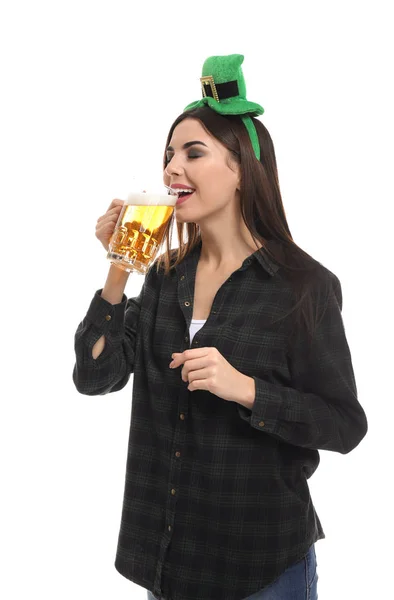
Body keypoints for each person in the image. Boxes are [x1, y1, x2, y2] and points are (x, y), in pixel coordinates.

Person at [72, 54, 368, 600]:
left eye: (193, 153)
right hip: (169, 564)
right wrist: (121, 264)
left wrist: (246, 389)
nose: (170, 169)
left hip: (260, 567)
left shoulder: (304, 287)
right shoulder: (163, 279)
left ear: (239, 170)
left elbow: (345, 425)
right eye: (168, 155)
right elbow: (95, 375)